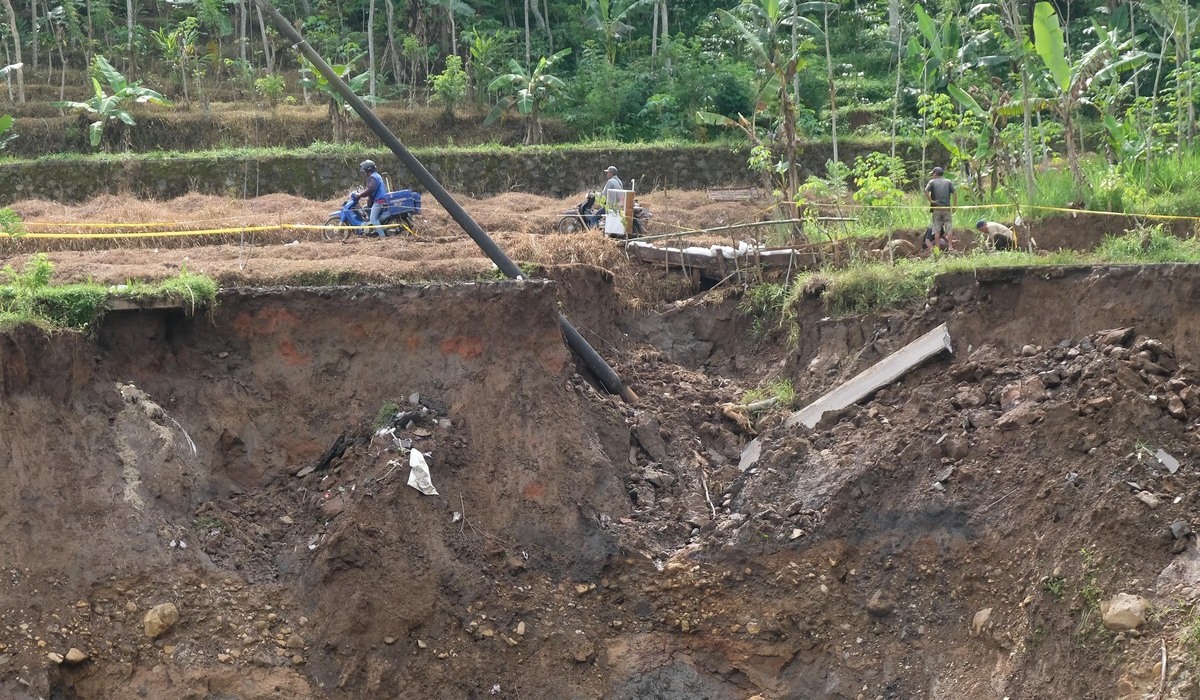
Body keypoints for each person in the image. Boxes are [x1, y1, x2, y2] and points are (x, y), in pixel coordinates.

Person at [924, 166, 957, 250]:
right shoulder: (948, 182)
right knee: (948, 227)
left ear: (935, 174)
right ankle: (950, 246)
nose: (932, 176)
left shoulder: (932, 182)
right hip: (946, 208)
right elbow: (954, 193)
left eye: (933, 174)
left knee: (937, 228)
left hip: (937, 209)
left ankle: (937, 248)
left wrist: (931, 201)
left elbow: (926, 190)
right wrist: (954, 205)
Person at [355, 159, 387, 239]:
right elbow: (371, 190)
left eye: (364, 169)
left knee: (373, 219)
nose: (364, 171)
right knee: (366, 208)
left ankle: (382, 236)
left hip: (379, 200)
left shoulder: (373, 177)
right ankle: (372, 228)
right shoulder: (376, 175)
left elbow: (371, 189)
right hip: (379, 199)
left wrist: (360, 195)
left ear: (368, 169)